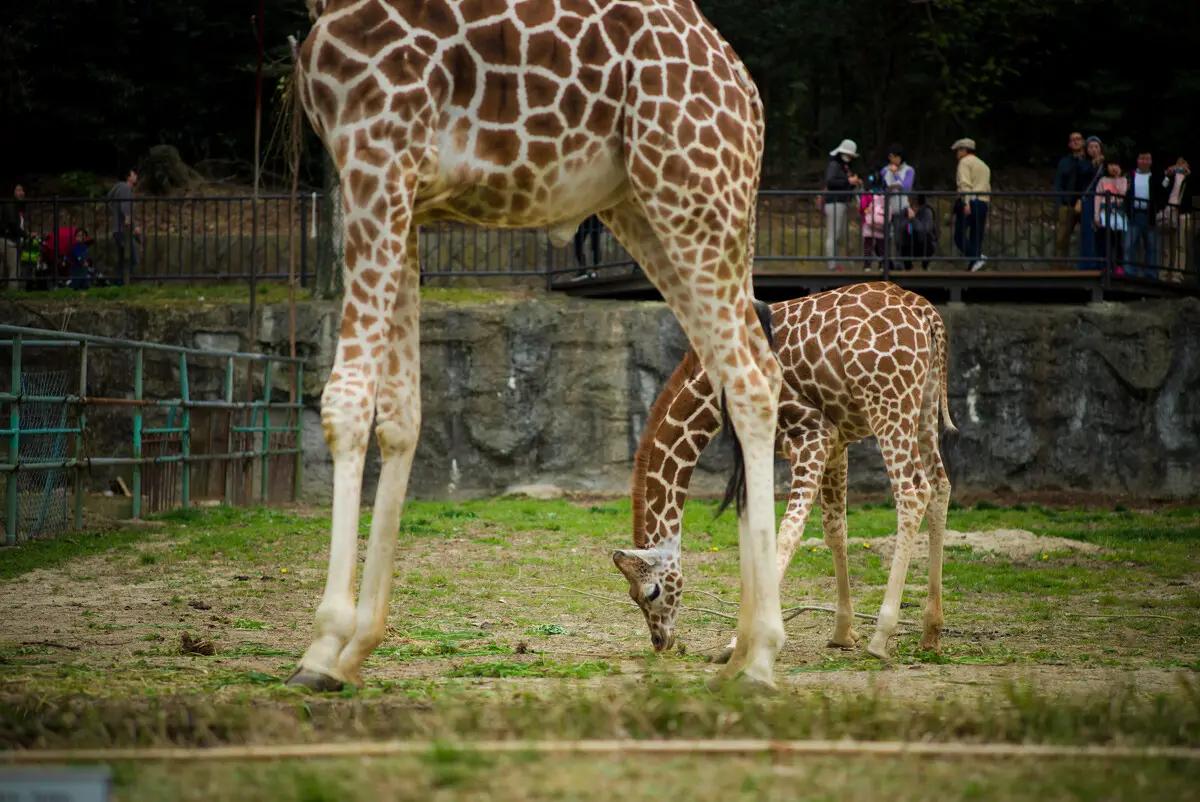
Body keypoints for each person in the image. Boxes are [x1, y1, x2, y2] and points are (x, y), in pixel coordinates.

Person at [951, 138, 990, 271]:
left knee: (959, 235)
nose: (957, 153)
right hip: (983, 201)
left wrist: (966, 202)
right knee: (976, 235)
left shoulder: (964, 162)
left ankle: (976, 257)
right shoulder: (983, 165)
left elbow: (965, 184)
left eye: (958, 150)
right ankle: (974, 262)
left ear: (964, 150)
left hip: (970, 201)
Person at [822, 139, 862, 270]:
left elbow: (843, 184)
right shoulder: (834, 165)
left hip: (842, 202)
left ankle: (837, 261)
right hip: (834, 202)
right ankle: (831, 265)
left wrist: (853, 182)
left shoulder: (844, 167)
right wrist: (848, 180)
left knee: (839, 235)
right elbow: (830, 182)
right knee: (833, 235)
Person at [1124, 151, 1161, 279]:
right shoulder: (1130, 175)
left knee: (1152, 247)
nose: (1145, 161)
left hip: (1149, 214)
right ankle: (1129, 272)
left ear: (1151, 161)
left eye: (1147, 158)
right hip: (1134, 213)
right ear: (1137, 160)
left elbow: (1162, 193)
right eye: (1142, 158)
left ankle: (1151, 274)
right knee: (1129, 245)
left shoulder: (1155, 176)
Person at [1157, 157, 1193, 280]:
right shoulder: (1171, 178)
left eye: (1184, 164)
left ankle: (1177, 274)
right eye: (1179, 163)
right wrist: (1167, 175)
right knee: (1166, 244)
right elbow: (1161, 189)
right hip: (1168, 212)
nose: (1181, 166)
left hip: (1182, 214)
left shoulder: (1189, 179)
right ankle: (1164, 272)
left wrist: (1188, 175)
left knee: (1180, 245)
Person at [1053, 132, 1087, 260]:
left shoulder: (1088, 161)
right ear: (1069, 144)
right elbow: (1058, 183)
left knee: (1088, 236)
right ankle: (1059, 267)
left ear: (1083, 142)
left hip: (1085, 203)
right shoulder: (1065, 162)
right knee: (1062, 238)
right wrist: (1060, 202)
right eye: (1073, 140)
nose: (1076, 142)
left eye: (1078, 139)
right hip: (1067, 204)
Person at [881, 143, 915, 269]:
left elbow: (906, 188)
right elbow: (883, 186)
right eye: (890, 157)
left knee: (900, 237)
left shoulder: (909, 170)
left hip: (902, 207)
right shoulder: (885, 170)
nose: (892, 160)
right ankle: (887, 263)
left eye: (894, 157)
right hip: (887, 208)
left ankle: (901, 263)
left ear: (900, 157)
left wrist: (895, 175)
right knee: (886, 237)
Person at [1094, 159, 1128, 274]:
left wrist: (1117, 179)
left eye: (1116, 164)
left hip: (1118, 213)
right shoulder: (1102, 180)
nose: (1113, 167)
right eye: (1111, 164)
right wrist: (1096, 215)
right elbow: (1098, 198)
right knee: (1105, 240)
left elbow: (1122, 194)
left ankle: (1118, 266)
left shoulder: (1123, 180)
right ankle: (1105, 265)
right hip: (1104, 212)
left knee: (1118, 241)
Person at [108, 169, 140, 285]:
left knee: (123, 257)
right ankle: (122, 282)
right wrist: (131, 224)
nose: (136, 176)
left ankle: (120, 282)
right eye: (134, 174)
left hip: (118, 228)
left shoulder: (118, 188)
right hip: (123, 230)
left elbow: (110, 201)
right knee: (132, 257)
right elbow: (125, 207)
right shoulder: (125, 188)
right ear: (128, 177)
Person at [1078, 136, 1105, 269]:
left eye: (1096, 147)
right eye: (1091, 147)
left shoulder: (1105, 165)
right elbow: (1083, 173)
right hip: (1089, 199)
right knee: (1087, 231)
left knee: (1102, 231)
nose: (1094, 150)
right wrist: (1094, 163)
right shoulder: (1084, 163)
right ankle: (1086, 264)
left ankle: (1101, 263)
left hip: (1103, 200)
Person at [901, 194, 938, 271]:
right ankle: (908, 267)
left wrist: (913, 219)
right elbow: (903, 227)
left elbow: (924, 230)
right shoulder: (906, 211)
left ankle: (925, 266)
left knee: (927, 239)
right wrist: (909, 221)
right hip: (912, 242)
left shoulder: (927, 211)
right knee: (905, 239)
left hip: (924, 242)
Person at [0, 183, 27, 288]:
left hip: (8, 240)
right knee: (14, 270)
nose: (22, 193)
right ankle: (13, 294)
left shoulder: (16, 206)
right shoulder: (10, 205)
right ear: (12, 192)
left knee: (3, 271)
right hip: (8, 241)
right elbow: (13, 224)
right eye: (19, 190)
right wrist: (25, 234)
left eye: (22, 190)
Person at [859, 173, 886, 270]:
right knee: (881, 244)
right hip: (881, 222)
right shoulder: (884, 194)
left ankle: (867, 265)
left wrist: (866, 211)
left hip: (868, 222)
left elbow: (862, 208)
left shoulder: (866, 194)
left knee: (868, 244)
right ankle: (882, 264)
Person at [570, 214, 602, 280]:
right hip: (584, 218)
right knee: (579, 242)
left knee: (595, 244)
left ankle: (596, 269)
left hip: (595, 218)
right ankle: (583, 268)